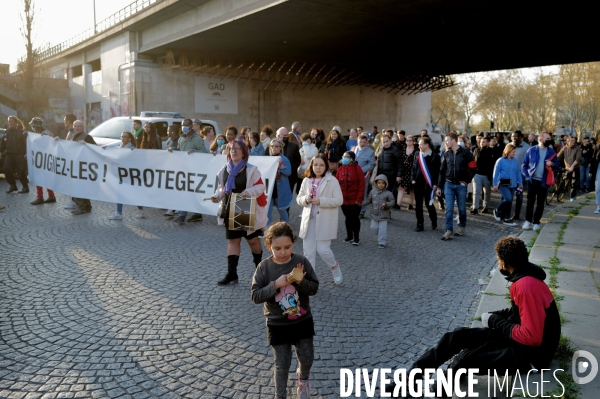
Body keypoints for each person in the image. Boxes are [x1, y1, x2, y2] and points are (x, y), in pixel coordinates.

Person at [392, 237, 560, 396]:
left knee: (465, 359)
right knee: (457, 336)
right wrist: (495, 316)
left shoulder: (526, 286)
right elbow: (518, 313)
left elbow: (532, 338)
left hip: (532, 357)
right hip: (518, 342)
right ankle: (411, 377)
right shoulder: (524, 279)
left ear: (503, 261)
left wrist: (495, 321)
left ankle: (441, 389)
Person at [251, 222, 319, 399]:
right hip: (277, 323)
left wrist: (300, 282)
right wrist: (276, 285)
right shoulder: (264, 267)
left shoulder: (301, 261)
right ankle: (279, 396)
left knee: (307, 358)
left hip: (302, 320)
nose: (283, 252)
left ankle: (303, 379)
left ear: (293, 244)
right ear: (269, 246)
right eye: (277, 248)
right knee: (281, 364)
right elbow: (256, 296)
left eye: (287, 247)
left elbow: (314, 288)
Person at [211, 141, 268, 285]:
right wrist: (217, 195)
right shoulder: (225, 169)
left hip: (245, 207)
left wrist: (248, 192)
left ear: (244, 152)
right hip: (230, 209)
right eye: (231, 149)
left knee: (252, 240)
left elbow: (261, 186)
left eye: (237, 149)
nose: (234, 151)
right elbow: (222, 188)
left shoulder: (251, 169)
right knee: (233, 241)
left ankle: (260, 271)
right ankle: (232, 274)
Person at [297, 154, 343, 284]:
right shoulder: (306, 180)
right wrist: (306, 199)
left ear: (325, 167)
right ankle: (311, 279)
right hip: (309, 221)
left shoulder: (332, 180)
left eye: (321, 165)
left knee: (323, 250)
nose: (318, 167)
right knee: (309, 252)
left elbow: (339, 200)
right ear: (311, 165)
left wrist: (321, 201)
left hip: (325, 221)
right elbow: (299, 199)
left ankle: (334, 267)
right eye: (315, 164)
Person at [436, 132, 475, 240]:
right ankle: (449, 231)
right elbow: (442, 171)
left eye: (447, 140)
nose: (446, 142)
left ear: (453, 140)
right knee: (449, 209)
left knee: (462, 209)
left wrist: (466, 181)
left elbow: (473, 168)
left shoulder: (466, 153)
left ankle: (461, 226)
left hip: (461, 185)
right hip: (448, 184)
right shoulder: (446, 153)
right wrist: (439, 187)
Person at [521, 132, 560, 231]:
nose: (549, 140)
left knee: (540, 203)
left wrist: (552, 164)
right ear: (540, 139)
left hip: (544, 181)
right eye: (547, 138)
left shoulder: (551, 152)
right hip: (532, 180)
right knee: (530, 202)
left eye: (550, 138)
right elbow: (524, 165)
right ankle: (528, 221)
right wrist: (527, 176)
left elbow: (558, 164)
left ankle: (536, 222)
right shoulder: (531, 150)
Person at [172, 119, 209, 224]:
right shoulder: (181, 138)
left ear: (191, 126)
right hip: (183, 169)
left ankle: (182, 215)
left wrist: (195, 151)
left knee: (187, 192)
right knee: (188, 192)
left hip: (194, 169)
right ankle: (197, 213)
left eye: (186, 125)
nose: (184, 127)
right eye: (183, 125)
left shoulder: (197, 139)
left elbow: (204, 152)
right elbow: (179, 151)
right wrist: (172, 152)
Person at [107, 132, 144, 220]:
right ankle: (119, 212)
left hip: (130, 175)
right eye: (121, 136)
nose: (122, 138)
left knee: (134, 193)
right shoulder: (121, 147)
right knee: (119, 192)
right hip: (122, 174)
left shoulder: (131, 148)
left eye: (125, 137)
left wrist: (133, 152)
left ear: (130, 139)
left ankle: (140, 210)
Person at [411, 136, 440, 232]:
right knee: (418, 205)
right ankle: (420, 224)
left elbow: (437, 172)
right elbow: (413, 168)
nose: (419, 145)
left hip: (429, 184)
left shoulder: (435, 156)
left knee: (429, 204)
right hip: (418, 183)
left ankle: (434, 220)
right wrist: (412, 179)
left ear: (427, 145)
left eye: (421, 144)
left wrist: (436, 184)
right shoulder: (417, 154)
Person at [337, 151, 365, 246]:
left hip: (355, 199)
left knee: (355, 218)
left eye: (347, 157)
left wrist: (359, 198)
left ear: (352, 158)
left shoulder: (357, 169)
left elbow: (362, 184)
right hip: (344, 199)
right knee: (348, 218)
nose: (345, 158)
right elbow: (336, 183)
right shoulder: (340, 169)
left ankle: (356, 237)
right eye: (344, 156)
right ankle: (349, 236)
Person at [492, 144, 523, 227]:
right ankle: (497, 210)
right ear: (508, 151)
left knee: (509, 202)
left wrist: (520, 184)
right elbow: (495, 173)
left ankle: (507, 218)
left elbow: (518, 173)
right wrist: (494, 183)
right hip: (503, 184)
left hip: (513, 184)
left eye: (515, 152)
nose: (514, 153)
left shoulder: (515, 161)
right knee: (508, 199)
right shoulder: (500, 160)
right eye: (513, 152)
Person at [70, 120, 97, 215]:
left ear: (83, 127)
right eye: (75, 126)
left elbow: (95, 148)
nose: (76, 128)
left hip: (83, 166)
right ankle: (86, 206)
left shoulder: (87, 137)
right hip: (76, 165)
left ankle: (81, 207)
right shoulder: (73, 136)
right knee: (81, 187)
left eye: (79, 126)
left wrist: (86, 144)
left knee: (78, 187)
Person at [28, 117, 56, 205]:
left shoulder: (45, 133)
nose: (33, 128)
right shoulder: (39, 133)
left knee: (41, 177)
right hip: (40, 158)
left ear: (37, 126)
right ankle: (50, 196)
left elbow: (45, 145)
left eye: (33, 126)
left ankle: (41, 197)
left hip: (44, 158)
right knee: (42, 177)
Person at [362, 175, 395, 248]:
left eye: (383, 183)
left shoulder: (388, 193)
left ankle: (382, 242)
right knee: (373, 227)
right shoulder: (372, 192)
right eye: (379, 183)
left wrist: (386, 204)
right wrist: (360, 203)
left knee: (382, 230)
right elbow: (368, 200)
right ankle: (379, 234)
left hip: (384, 215)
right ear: (376, 183)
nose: (381, 185)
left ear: (386, 184)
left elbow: (392, 202)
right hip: (374, 214)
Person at [267, 139, 293, 226]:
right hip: (270, 188)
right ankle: (267, 230)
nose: (274, 148)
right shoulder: (268, 159)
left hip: (280, 189)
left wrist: (280, 166)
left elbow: (289, 172)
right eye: (272, 146)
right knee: (268, 210)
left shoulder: (284, 159)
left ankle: (286, 227)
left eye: (276, 146)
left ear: (280, 148)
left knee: (282, 210)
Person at [1, 116, 29, 194]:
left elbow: (26, 143)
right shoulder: (6, 132)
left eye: (12, 121)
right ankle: (13, 185)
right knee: (6, 168)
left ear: (16, 123)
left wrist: (27, 152)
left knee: (21, 171)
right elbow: (3, 144)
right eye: (9, 121)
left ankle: (25, 187)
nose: (10, 123)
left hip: (20, 154)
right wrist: (0, 151)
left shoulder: (21, 132)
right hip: (10, 155)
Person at [471, 136, 495, 214]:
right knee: (476, 192)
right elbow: (473, 161)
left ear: (488, 143)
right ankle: (475, 207)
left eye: (484, 142)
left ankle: (486, 207)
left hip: (487, 175)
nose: (482, 143)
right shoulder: (476, 150)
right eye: (481, 142)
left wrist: (492, 176)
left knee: (487, 192)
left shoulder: (492, 151)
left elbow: (493, 164)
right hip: (477, 174)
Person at [510, 131, 530, 221]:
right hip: (509, 175)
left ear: (521, 137)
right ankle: (505, 212)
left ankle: (516, 213)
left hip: (520, 176)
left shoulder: (527, 147)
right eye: (513, 136)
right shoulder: (509, 146)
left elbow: (529, 162)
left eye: (516, 136)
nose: (514, 138)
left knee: (519, 195)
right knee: (507, 194)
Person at [354, 134, 376, 219]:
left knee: (363, 193)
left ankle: (362, 211)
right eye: (360, 142)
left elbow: (371, 164)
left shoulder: (370, 152)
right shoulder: (355, 149)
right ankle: (355, 207)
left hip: (364, 175)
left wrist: (361, 170)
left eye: (364, 142)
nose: (362, 144)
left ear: (367, 142)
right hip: (354, 174)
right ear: (358, 141)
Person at [376, 134, 402, 207]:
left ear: (390, 140)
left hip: (391, 176)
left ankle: (387, 212)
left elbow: (400, 163)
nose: (385, 143)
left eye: (387, 141)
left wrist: (399, 175)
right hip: (381, 176)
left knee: (389, 195)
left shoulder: (395, 150)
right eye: (383, 142)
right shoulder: (380, 149)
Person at [274, 127, 301, 195]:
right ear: (278, 136)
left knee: (287, 198)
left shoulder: (294, 146)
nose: (287, 137)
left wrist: (290, 169)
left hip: (290, 178)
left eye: (287, 135)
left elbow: (298, 161)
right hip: (276, 178)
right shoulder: (272, 147)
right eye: (285, 135)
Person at [557, 135, 582, 201]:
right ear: (567, 141)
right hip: (567, 167)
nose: (573, 142)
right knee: (564, 178)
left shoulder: (578, 148)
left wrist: (572, 166)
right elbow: (558, 156)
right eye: (571, 141)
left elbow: (578, 159)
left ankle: (572, 197)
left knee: (573, 183)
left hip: (575, 167)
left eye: (574, 140)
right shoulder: (564, 148)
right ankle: (561, 190)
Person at [396, 135, 417, 210]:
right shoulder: (403, 150)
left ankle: (411, 204)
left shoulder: (416, 151)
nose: (408, 142)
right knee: (401, 187)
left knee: (412, 189)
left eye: (410, 140)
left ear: (413, 142)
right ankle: (398, 204)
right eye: (407, 140)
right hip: (404, 171)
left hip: (412, 171)